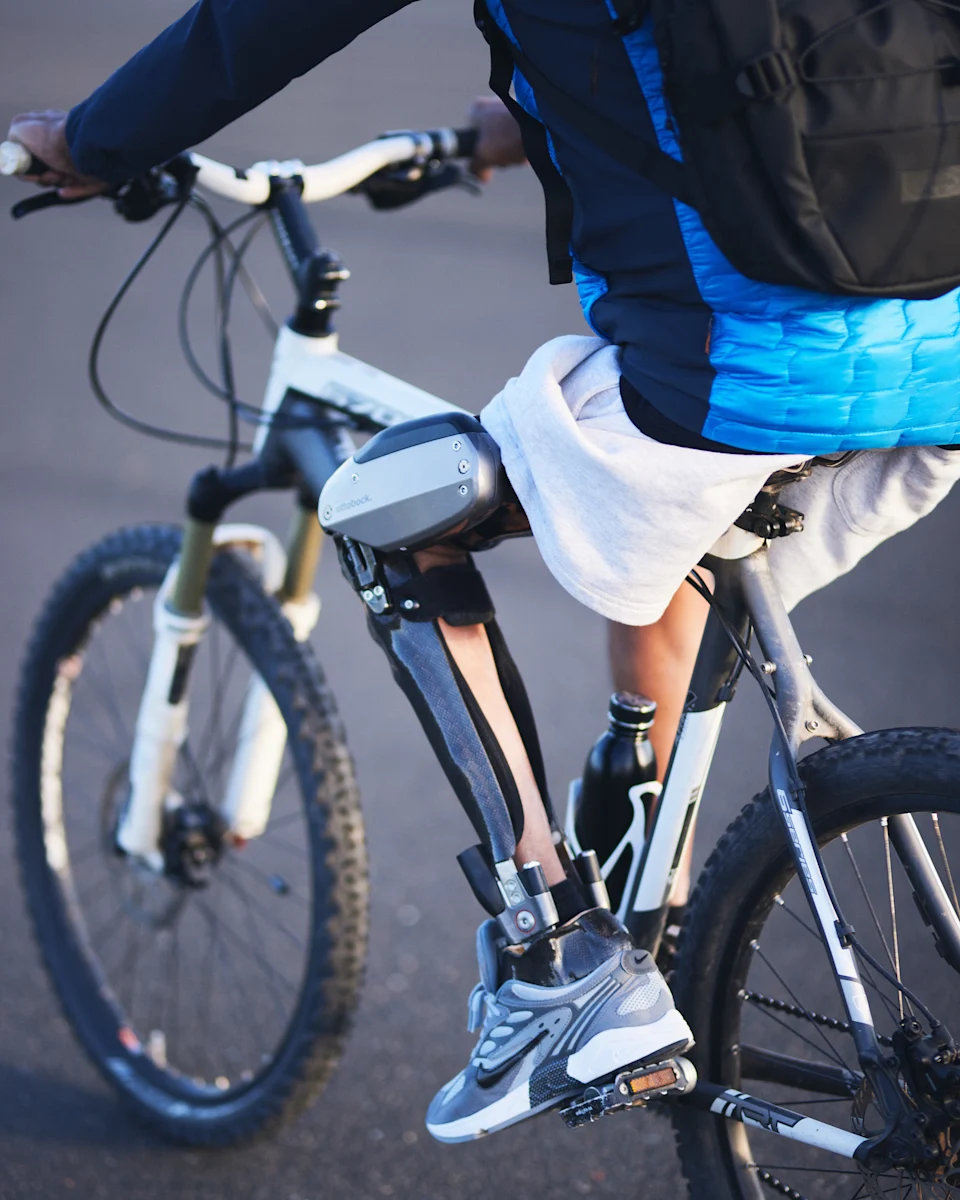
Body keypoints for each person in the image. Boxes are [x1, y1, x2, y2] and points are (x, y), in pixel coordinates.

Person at [8, 0, 960, 1145]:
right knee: (660, 535)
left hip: (746, 365)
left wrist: (95, 140)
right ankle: (650, 899)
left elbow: (263, 23)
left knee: (384, 507)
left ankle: (560, 957)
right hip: (938, 342)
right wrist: (531, 113)